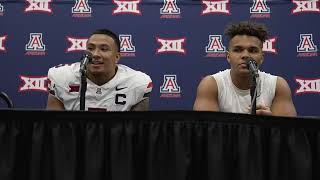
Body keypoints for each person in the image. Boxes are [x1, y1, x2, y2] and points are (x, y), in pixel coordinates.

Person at [193, 21, 297, 116]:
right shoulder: (211, 85)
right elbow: (206, 131)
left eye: (252, 50)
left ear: (262, 58)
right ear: (228, 57)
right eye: (238, 50)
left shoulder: (277, 86)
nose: (245, 55)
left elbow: (287, 133)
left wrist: (269, 123)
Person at [46, 29, 153, 111]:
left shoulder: (137, 82)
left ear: (117, 57)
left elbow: (138, 132)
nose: (95, 54)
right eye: (91, 48)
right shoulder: (61, 77)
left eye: (104, 49)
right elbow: (54, 127)